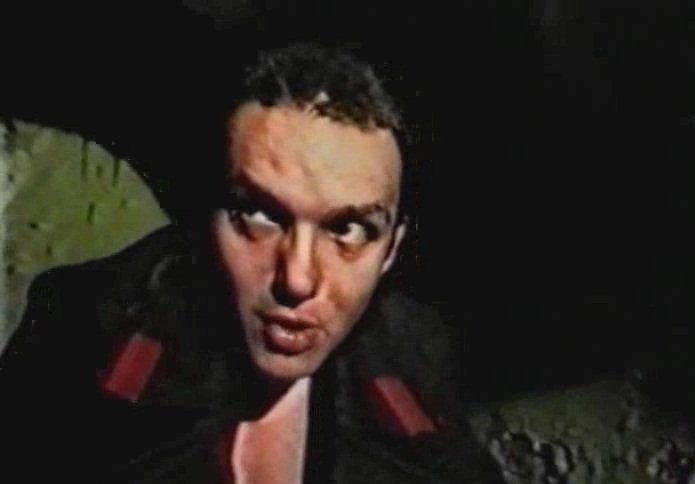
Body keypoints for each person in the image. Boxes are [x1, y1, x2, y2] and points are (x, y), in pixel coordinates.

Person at [0, 44, 503, 483]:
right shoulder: (84, 334)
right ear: (205, 218)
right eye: (262, 216)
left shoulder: (413, 358)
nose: (297, 278)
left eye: (347, 231)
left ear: (391, 249)